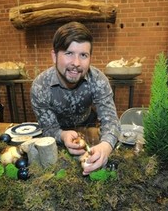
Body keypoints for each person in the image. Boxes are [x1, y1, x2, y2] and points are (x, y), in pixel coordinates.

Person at [30, 21, 121, 175]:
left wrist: (105, 146)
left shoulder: (98, 79)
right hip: (57, 138)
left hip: (89, 130)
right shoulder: (40, 86)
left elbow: (111, 120)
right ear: (54, 56)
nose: (76, 63)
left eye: (83, 55)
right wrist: (63, 135)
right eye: (69, 53)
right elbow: (48, 128)